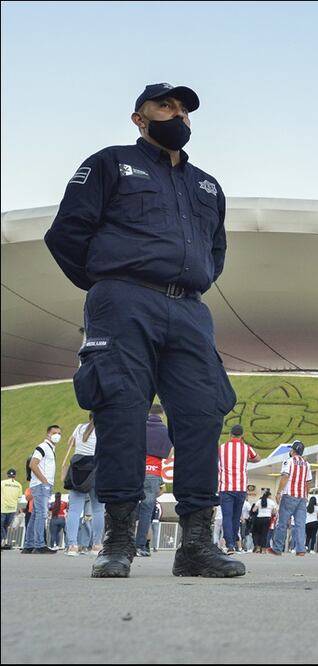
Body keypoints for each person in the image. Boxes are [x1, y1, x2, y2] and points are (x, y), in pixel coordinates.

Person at [44, 82, 242, 579]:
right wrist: (108, 282)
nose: (178, 115)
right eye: (165, 106)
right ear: (139, 117)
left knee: (202, 415)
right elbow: (66, 233)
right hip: (124, 303)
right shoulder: (110, 164)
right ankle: (117, 542)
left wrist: (187, 281)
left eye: (184, 109)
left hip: (189, 311)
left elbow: (215, 252)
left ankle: (196, 544)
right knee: (121, 412)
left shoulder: (207, 186)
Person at [61, 418, 105, 556]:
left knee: (74, 510)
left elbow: (71, 442)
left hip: (78, 470)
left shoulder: (79, 427)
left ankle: (72, 545)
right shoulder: (104, 427)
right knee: (98, 509)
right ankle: (97, 545)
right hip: (96, 469)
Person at [137, 404, 173, 557]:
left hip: (135, 470)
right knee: (146, 512)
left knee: (129, 508)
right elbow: (169, 455)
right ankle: (140, 546)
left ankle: (123, 544)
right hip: (153, 472)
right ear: (162, 414)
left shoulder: (139, 427)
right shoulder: (165, 431)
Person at [219, 425, 261, 555]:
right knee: (236, 517)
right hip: (241, 488)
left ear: (230, 434)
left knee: (227, 516)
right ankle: (233, 542)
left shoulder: (222, 448)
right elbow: (258, 458)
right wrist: (247, 460)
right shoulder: (246, 448)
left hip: (225, 487)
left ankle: (230, 545)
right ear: (242, 435)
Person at [270, 441, 312, 557]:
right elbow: (308, 482)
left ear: (293, 450)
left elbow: (285, 477)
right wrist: (306, 495)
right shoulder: (307, 464)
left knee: (282, 523)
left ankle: (277, 548)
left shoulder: (288, 461)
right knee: (300, 524)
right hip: (301, 497)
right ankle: (301, 549)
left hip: (289, 495)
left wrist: (279, 492)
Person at [25, 425, 60, 554]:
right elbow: (33, 464)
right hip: (41, 485)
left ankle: (29, 545)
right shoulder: (43, 447)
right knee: (41, 514)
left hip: (41, 484)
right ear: (48, 434)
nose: (57, 435)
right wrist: (44, 481)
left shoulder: (50, 448)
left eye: (59, 433)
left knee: (35, 514)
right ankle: (39, 544)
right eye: (54, 433)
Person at [2, 469, 22, 549]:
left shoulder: (2, 483)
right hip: (12, 509)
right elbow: (19, 499)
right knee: (5, 526)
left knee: (1, 526)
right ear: (15, 476)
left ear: (7, 475)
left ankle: (4, 540)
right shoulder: (19, 485)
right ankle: (4, 542)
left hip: (2, 508)